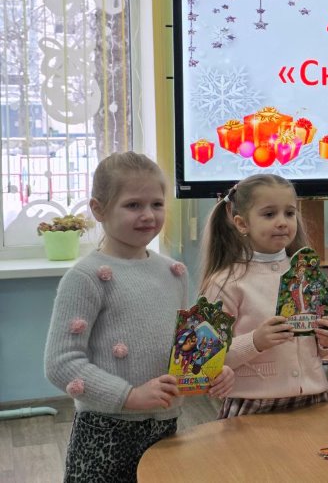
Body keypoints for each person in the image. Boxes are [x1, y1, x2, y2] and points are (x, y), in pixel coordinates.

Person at [44, 151, 234, 483]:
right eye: (133, 205)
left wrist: (213, 370)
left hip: (166, 427)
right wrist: (129, 396)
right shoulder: (86, 277)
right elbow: (61, 363)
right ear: (98, 209)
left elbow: (186, 348)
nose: (148, 215)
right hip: (104, 433)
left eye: (156, 204)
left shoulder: (174, 272)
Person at [199, 174, 328, 418]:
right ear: (242, 223)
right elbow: (206, 357)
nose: (282, 222)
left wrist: (327, 340)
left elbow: (312, 347)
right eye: (269, 214)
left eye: (289, 213)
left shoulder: (306, 273)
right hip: (253, 404)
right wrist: (255, 341)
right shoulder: (225, 282)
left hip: (313, 399)